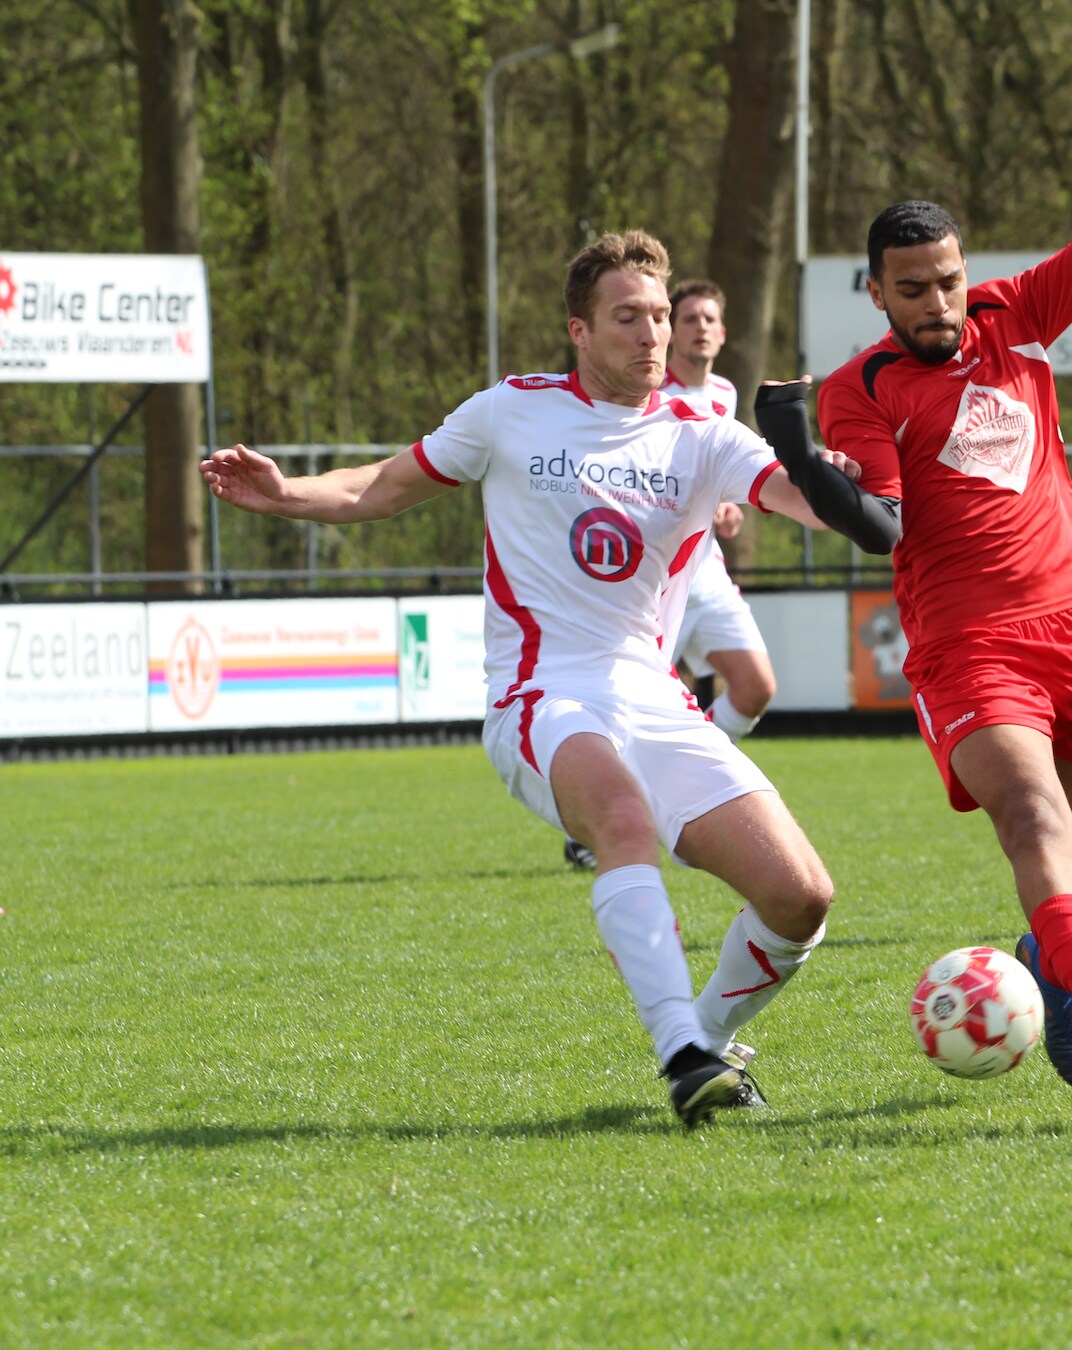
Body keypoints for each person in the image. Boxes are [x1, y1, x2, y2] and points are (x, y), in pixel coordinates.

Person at [201, 230, 861, 1128]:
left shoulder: (705, 435)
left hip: (654, 696)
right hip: (542, 693)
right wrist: (286, 494)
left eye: (661, 316)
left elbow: (800, 500)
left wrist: (843, 488)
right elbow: (380, 489)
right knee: (622, 820)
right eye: (627, 316)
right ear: (578, 332)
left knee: (801, 897)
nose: (652, 334)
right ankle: (680, 1057)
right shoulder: (511, 412)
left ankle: (704, 1037)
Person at [782, 43, 1072, 1092]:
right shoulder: (863, 389)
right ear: (878, 294)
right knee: (1036, 820)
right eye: (913, 290)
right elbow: (880, 526)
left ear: (965, 273)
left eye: (948, 280)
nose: (937, 303)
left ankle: (1055, 971)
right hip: (967, 647)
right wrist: (801, 453)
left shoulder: (1013, 318)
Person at [561, 278, 775, 870]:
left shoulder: (728, 393)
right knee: (629, 711)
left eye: (710, 319)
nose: (699, 328)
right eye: (689, 319)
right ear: (672, 332)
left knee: (756, 687)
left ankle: (683, 796)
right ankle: (601, 820)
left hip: (707, 570)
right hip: (653, 575)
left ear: (723, 333)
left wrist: (725, 508)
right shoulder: (650, 394)